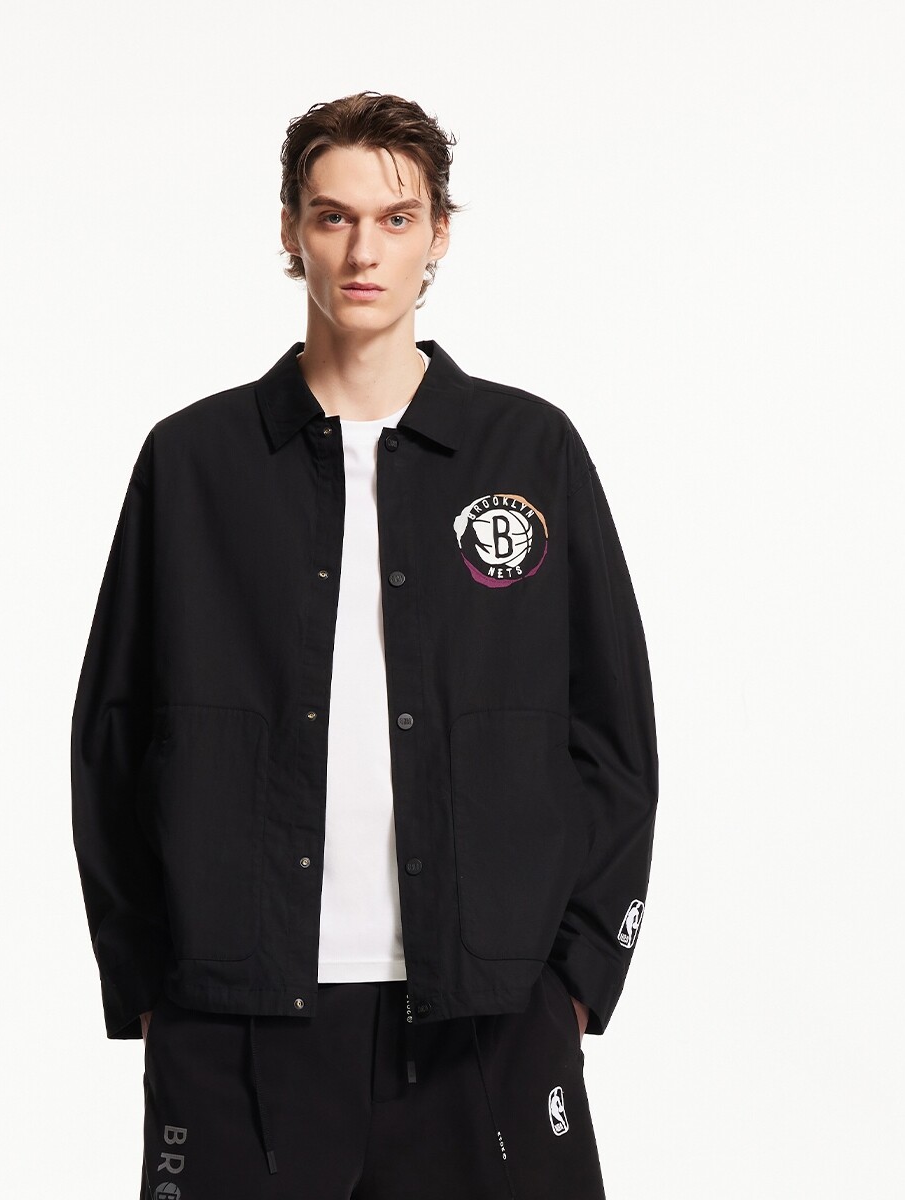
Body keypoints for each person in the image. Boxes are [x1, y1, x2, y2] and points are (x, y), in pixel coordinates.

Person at [71, 90, 659, 1200]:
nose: (363, 251)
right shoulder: (194, 462)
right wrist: (145, 980)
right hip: (238, 1018)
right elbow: (112, 735)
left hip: (487, 1018)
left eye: (396, 219)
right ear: (290, 230)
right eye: (333, 216)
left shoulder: (529, 450)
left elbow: (612, 733)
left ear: (440, 235)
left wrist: (578, 973)